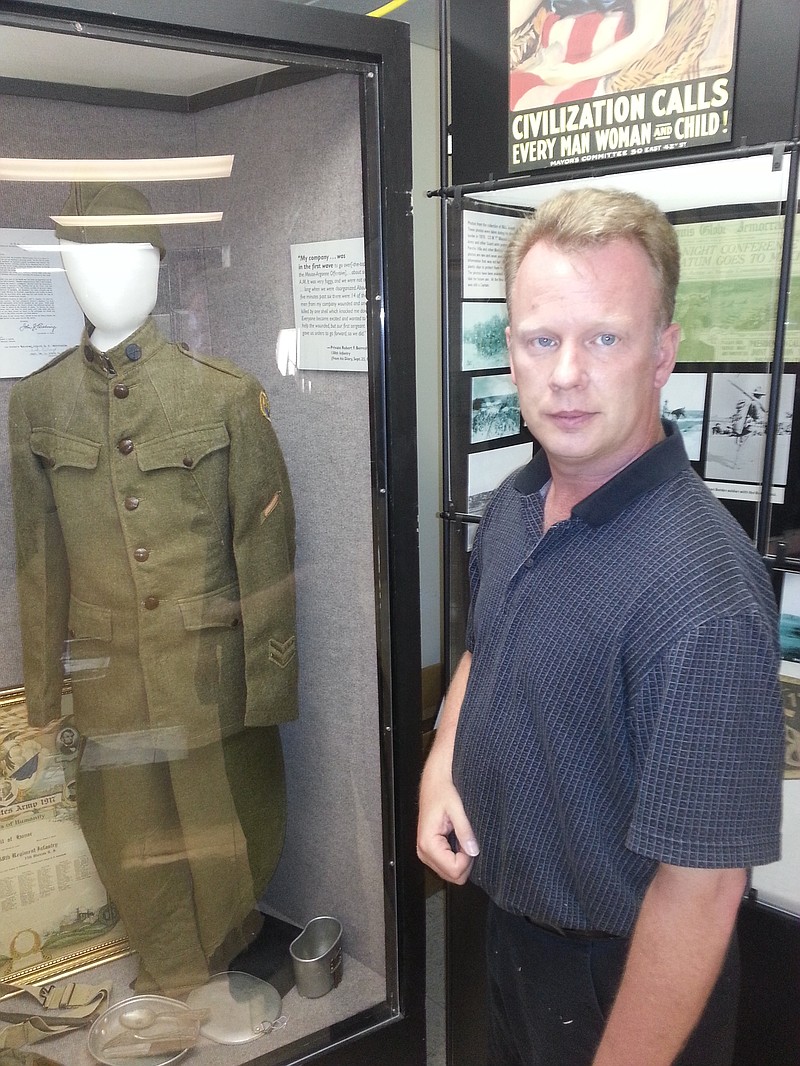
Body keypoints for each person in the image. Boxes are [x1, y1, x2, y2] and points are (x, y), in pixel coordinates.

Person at [417, 188, 784, 1065]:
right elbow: (486, 650)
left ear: (662, 355)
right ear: (510, 352)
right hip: (508, 938)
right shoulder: (516, 502)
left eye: (605, 339)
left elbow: (701, 892)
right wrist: (441, 762)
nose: (567, 373)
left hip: (624, 982)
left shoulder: (704, 594)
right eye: (543, 339)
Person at [9, 182, 298, 995]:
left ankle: (222, 943)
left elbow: (266, 552)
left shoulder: (224, 394)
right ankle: (170, 964)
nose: (102, 277)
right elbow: (39, 563)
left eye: (125, 257)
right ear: (61, 268)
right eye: (80, 258)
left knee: (227, 825)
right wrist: (42, 697)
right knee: (126, 823)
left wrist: (268, 688)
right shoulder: (38, 403)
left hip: (210, 676)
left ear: (158, 267)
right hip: (107, 676)